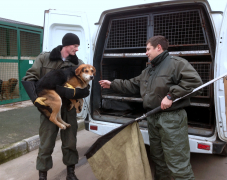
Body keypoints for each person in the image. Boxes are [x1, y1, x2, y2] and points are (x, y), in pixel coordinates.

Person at [99, 35, 203, 180]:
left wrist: (171, 96)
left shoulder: (176, 64)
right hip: (153, 117)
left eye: (148, 49)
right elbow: (133, 84)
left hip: (171, 119)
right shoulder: (149, 70)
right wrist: (112, 84)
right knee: (159, 160)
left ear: (158, 47)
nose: (146, 53)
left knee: (177, 162)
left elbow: (195, 84)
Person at [22, 33, 89, 180]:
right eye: (75, 46)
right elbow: (29, 78)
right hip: (49, 106)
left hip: (69, 109)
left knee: (70, 142)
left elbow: (85, 88)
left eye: (78, 46)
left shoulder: (79, 64)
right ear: (66, 44)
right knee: (46, 143)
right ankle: (42, 175)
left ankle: (70, 173)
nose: (77, 49)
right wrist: (36, 101)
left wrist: (72, 92)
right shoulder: (45, 58)